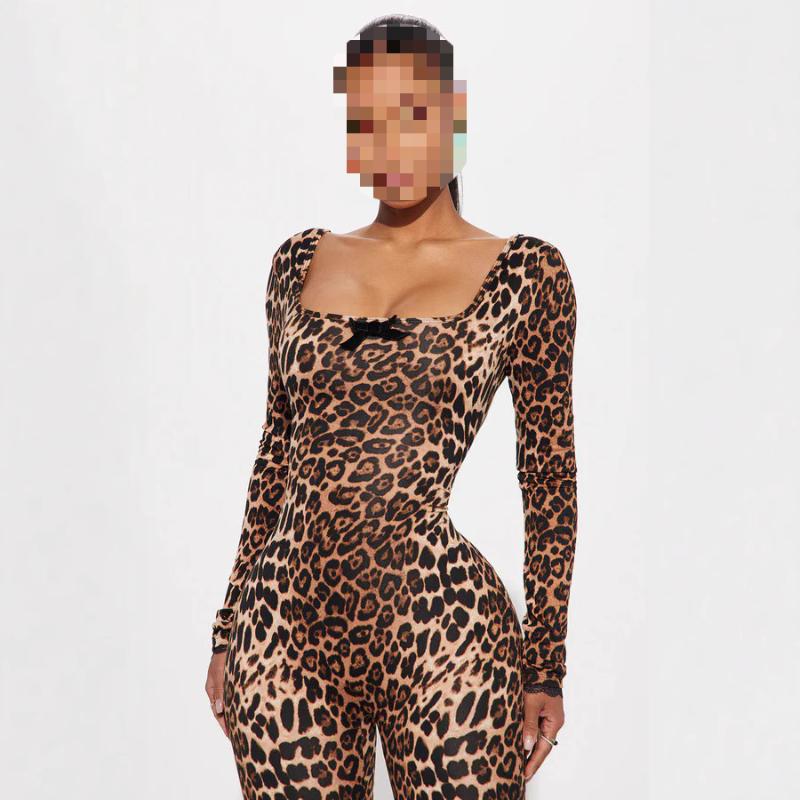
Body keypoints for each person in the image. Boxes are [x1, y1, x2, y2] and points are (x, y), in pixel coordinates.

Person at [205, 14, 578, 798]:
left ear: (453, 118)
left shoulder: (527, 275)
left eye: (412, 115)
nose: (390, 145)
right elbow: (276, 454)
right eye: (367, 122)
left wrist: (546, 664)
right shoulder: (299, 262)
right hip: (284, 640)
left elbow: (548, 479)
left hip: (446, 638)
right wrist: (229, 626)